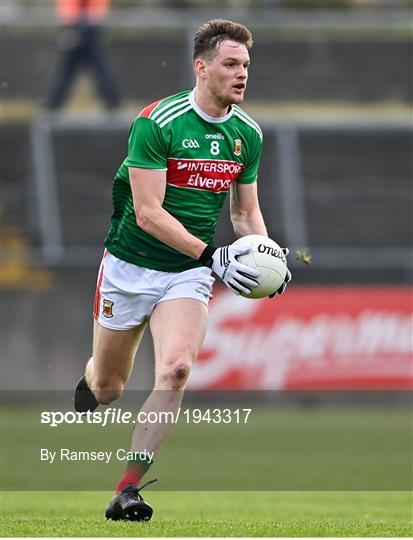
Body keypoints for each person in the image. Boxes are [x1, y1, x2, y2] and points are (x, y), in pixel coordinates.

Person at [74, 18, 291, 521]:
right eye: (230, 64)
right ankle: (89, 379)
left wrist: (267, 257)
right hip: (129, 265)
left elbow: (243, 214)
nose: (241, 75)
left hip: (187, 274)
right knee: (108, 388)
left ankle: (127, 488)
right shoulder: (158, 121)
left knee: (176, 369)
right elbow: (148, 213)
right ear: (202, 67)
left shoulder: (247, 134)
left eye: (246, 66)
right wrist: (212, 255)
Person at [47, 0, 120, 110]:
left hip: (85, 25)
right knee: (94, 68)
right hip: (83, 24)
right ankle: (113, 102)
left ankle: (53, 104)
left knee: (70, 71)